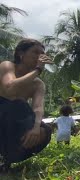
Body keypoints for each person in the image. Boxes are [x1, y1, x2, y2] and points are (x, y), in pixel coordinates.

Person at [0, 39, 53, 172]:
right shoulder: (7, 66)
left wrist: (35, 128)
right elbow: (9, 88)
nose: (39, 56)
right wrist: (37, 70)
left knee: (44, 131)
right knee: (17, 105)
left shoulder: (38, 84)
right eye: (35, 52)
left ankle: (8, 158)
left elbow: (38, 108)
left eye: (42, 53)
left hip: (11, 126)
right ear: (20, 54)